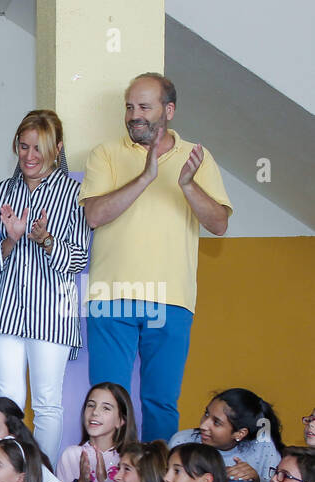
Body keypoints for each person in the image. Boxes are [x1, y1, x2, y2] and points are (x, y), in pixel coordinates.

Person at [80, 73, 231, 442]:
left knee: (160, 402)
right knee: (106, 401)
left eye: (144, 107)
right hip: (111, 296)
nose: (135, 115)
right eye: (129, 107)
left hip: (172, 298)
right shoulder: (105, 153)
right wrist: (147, 176)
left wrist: (187, 184)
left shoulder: (198, 157)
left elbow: (219, 224)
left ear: (169, 110)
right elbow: (94, 215)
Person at [0, 110, 90, 466]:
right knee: (6, 401)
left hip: (51, 312)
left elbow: (77, 260)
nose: (29, 156)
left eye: (38, 148)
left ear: (57, 148)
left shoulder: (75, 194)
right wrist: (10, 241)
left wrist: (45, 240)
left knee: (46, 403)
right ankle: (7, 477)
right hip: (5, 311)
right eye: (23, 146)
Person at [170, 388, 282, 482]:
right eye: (206, 414)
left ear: (240, 433)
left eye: (216, 423)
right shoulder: (183, 441)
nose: (203, 425)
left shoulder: (263, 447)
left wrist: (257, 480)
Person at [55, 382, 135, 482]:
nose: (95, 412)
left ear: (121, 421)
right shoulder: (71, 455)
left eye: (106, 408)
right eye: (91, 405)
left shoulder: (129, 460)